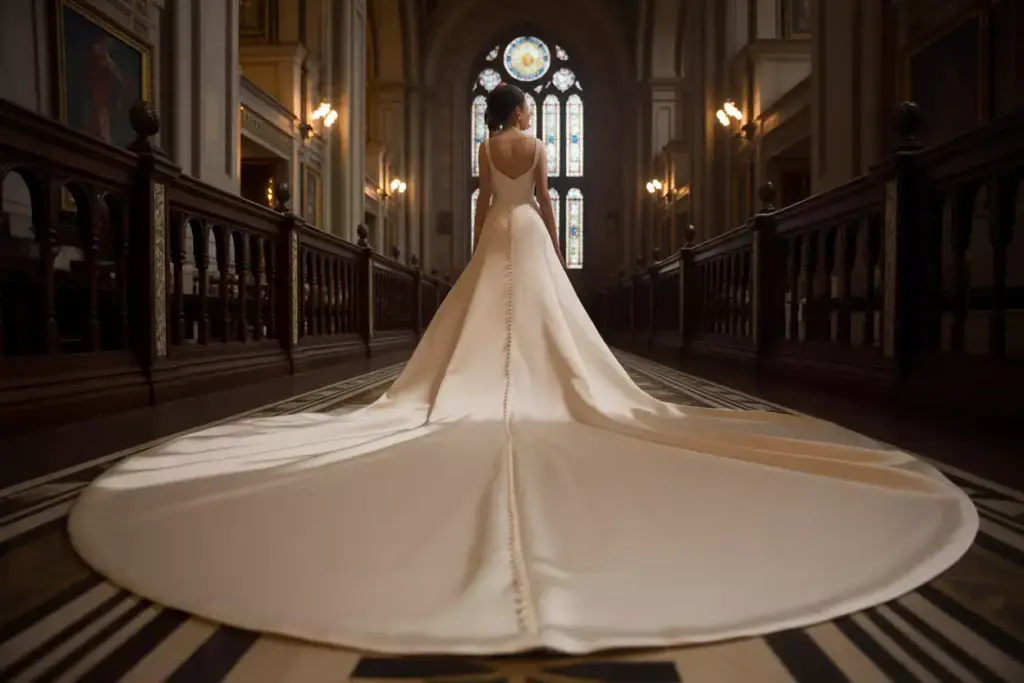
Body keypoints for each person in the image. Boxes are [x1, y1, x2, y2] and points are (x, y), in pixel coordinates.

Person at [68, 84, 978, 656]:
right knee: (555, 336)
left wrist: (475, 256)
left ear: (491, 123)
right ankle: (553, 390)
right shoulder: (538, 150)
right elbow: (543, 202)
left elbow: (482, 207)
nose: (527, 124)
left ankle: (468, 389)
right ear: (523, 120)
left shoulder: (482, 148)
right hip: (534, 239)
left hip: (497, 242)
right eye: (526, 115)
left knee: (478, 328)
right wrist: (535, 222)